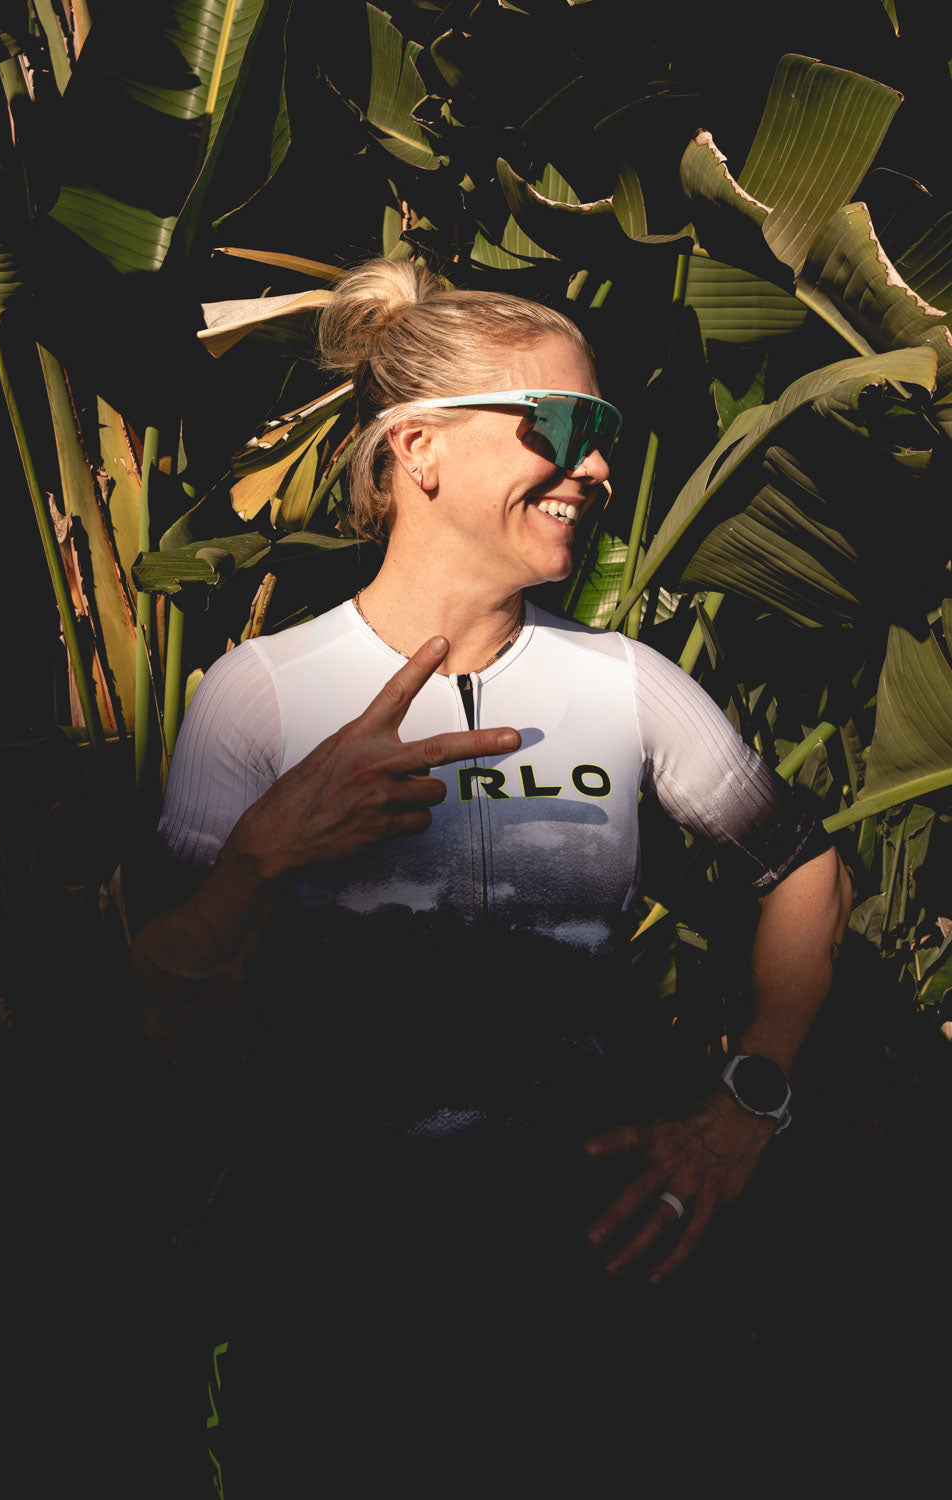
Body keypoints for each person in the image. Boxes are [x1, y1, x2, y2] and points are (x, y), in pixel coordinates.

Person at [132, 258, 851, 1485]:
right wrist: (260, 853)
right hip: (334, 1297)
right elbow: (153, 1005)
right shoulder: (261, 696)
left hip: (587, 1273)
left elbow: (803, 869)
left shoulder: (624, 685)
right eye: (561, 427)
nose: (597, 467)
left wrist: (746, 1108)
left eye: (601, 432)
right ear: (418, 448)